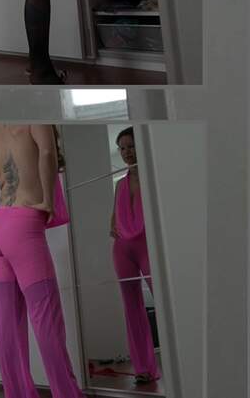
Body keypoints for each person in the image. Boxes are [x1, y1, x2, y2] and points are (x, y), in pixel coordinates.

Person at [0, 124, 84, 398]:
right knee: (47, 319)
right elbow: (47, 152)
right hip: (23, 226)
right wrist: (48, 202)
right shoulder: (35, 119)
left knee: (7, 323)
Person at [111, 127, 160, 385]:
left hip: (148, 245)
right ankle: (143, 368)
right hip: (123, 249)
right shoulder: (120, 184)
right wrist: (114, 227)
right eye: (122, 148)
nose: (127, 152)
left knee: (164, 302)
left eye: (131, 146)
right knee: (132, 308)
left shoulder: (154, 177)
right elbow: (113, 221)